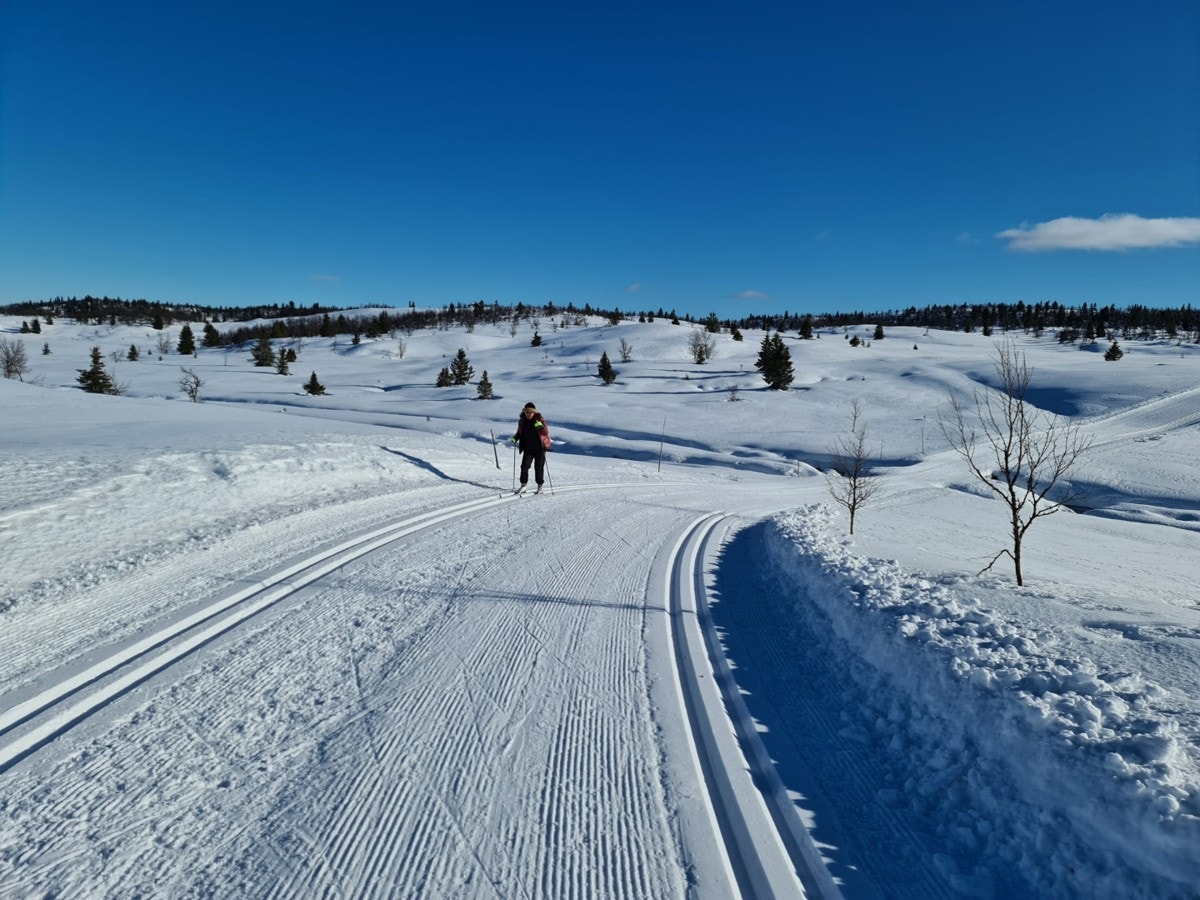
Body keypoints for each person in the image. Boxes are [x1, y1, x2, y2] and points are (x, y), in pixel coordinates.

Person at [511, 401, 550, 493]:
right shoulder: (522, 421)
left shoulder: (539, 420)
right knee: (524, 466)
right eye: (526, 412)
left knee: (538, 468)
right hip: (528, 448)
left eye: (530, 412)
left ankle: (540, 485)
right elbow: (519, 432)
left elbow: (545, 433)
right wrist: (516, 437)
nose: (528, 414)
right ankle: (523, 485)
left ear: (534, 412)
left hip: (540, 448)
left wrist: (541, 426)